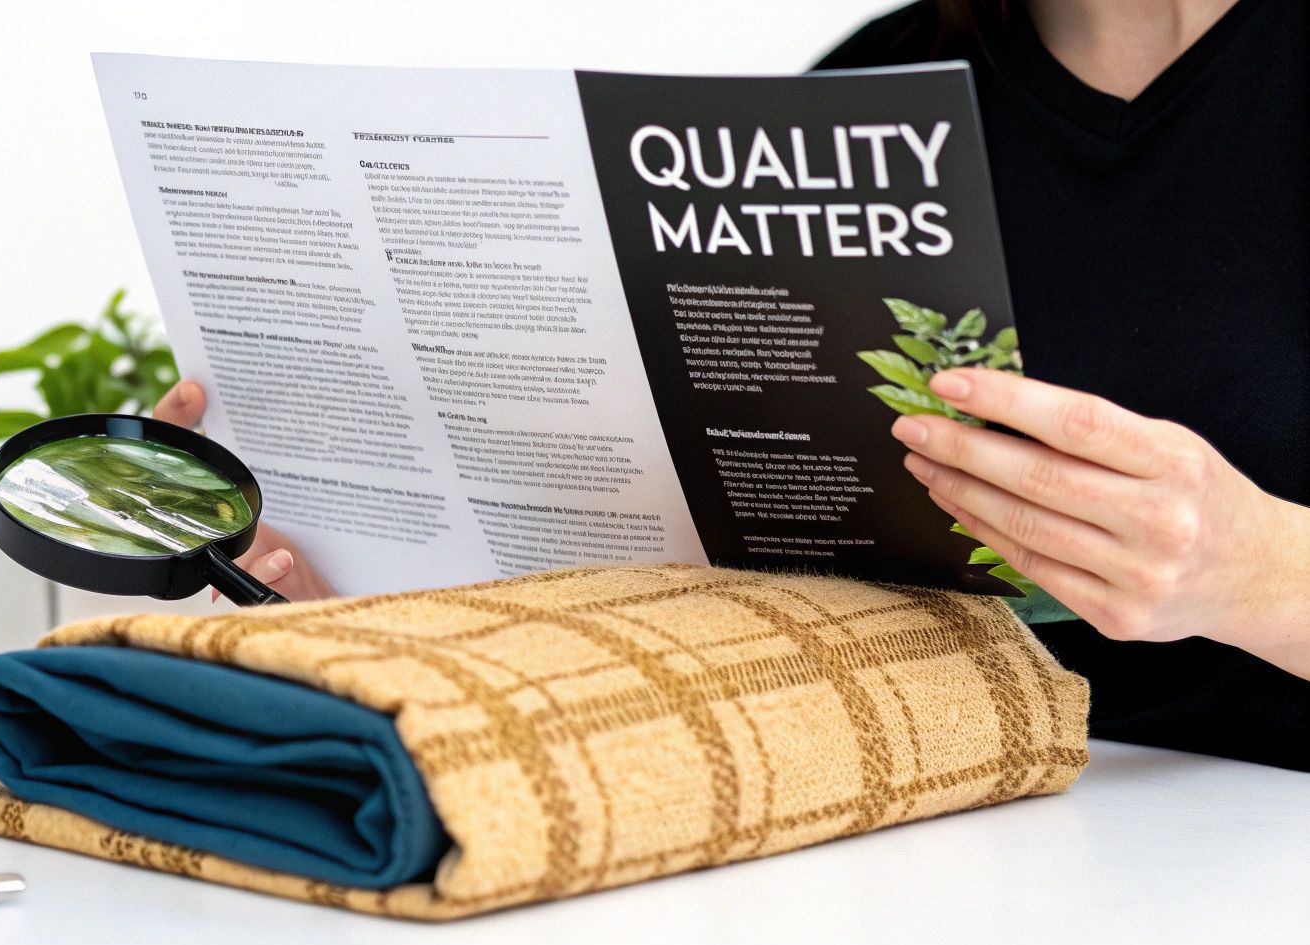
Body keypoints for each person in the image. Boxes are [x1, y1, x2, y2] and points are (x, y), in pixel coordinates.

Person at [156, 0, 1308, 771]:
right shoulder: (875, 86)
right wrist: (375, 579)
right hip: (918, 831)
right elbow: (749, 576)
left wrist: (1254, 571)